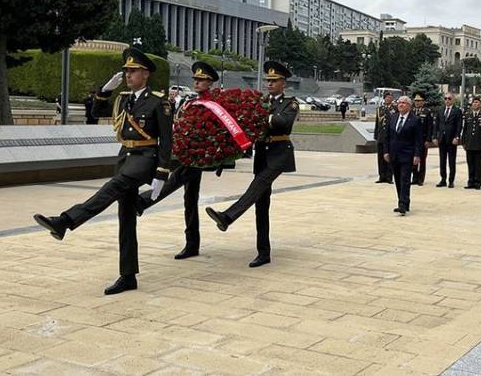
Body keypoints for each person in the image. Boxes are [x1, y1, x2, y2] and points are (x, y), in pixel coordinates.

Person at [32, 48, 172, 295]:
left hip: (145, 159)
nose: (129, 75)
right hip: (125, 157)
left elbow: (167, 141)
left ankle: (65, 221)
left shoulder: (158, 101)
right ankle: (128, 276)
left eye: (134, 71)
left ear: (146, 74)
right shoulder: (123, 99)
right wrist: (104, 92)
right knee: (126, 218)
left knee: (111, 188)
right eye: (127, 71)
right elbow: (96, 113)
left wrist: (161, 173)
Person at [205, 61, 298, 268]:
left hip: (279, 154)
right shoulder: (261, 101)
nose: (270, 84)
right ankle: (263, 253)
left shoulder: (290, 103)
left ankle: (228, 216)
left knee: (256, 187)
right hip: (262, 154)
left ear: (284, 83)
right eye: (268, 80)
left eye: (274, 81)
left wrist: (261, 116)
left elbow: (284, 123)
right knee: (261, 204)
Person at [135, 62, 224, 260]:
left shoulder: (213, 104)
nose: (197, 82)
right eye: (195, 79)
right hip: (188, 154)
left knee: (176, 179)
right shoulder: (190, 102)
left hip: (200, 156)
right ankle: (192, 243)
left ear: (210, 83)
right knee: (189, 199)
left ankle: (144, 201)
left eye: (201, 80)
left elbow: (216, 130)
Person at [383, 96, 423, 215]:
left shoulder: (415, 120)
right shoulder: (393, 117)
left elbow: (418, 140)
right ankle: (403, 201)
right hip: (394, 154)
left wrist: (417, 155)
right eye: (399, 103)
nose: (401, 105)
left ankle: (403, 204)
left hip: (407, 154)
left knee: (405, 179)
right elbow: (387, 136)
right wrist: (386, 151)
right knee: (398, 179)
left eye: (404, 103)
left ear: (409, 106)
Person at [434, 92, 463, 188]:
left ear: (453, 100)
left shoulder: (457, 111)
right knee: (442, 160)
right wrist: (434, 137)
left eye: (449, 98)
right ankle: (443, 179)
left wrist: (457, 137)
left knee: (451, 161)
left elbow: (459, 125)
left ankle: (451, 180)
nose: (447, 100)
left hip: (451, 140)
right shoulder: (440, 110)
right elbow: (436, 125)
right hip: (442, 139)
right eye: (445, 98)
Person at [462, 96, 481, 190]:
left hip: (479, 144)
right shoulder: (468, 115)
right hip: (469, 143)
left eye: (477, 102)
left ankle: (478, 182)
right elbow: (465, 129)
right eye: (474, 103)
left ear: (480, 104)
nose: (475, 104)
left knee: (478, 164)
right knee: (470, 164)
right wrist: (463, 141)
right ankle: (470, 182)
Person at [411, 93, 434, 186]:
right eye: (416, 101)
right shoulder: (411, 111)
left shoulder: (427, 112)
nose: (417, 103)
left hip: (423, 139)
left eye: (419, 101)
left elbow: (430, 127)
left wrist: (428, 140)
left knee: (422, 159)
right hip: (412, 140)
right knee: (412, 159)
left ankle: (420, 178)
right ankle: (414, 177)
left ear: (423, 102)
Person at [374, 92, 397, 184]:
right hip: (381, 136)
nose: (388, 99)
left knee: (388, 156)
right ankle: (381, 176)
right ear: (384, 98)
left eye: (390, 97)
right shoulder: (380, 109)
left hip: (390, 137)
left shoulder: (395, 109)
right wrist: (376, 134)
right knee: (380, 157)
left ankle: (389, 176)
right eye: (387, 97)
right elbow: (377, 123)